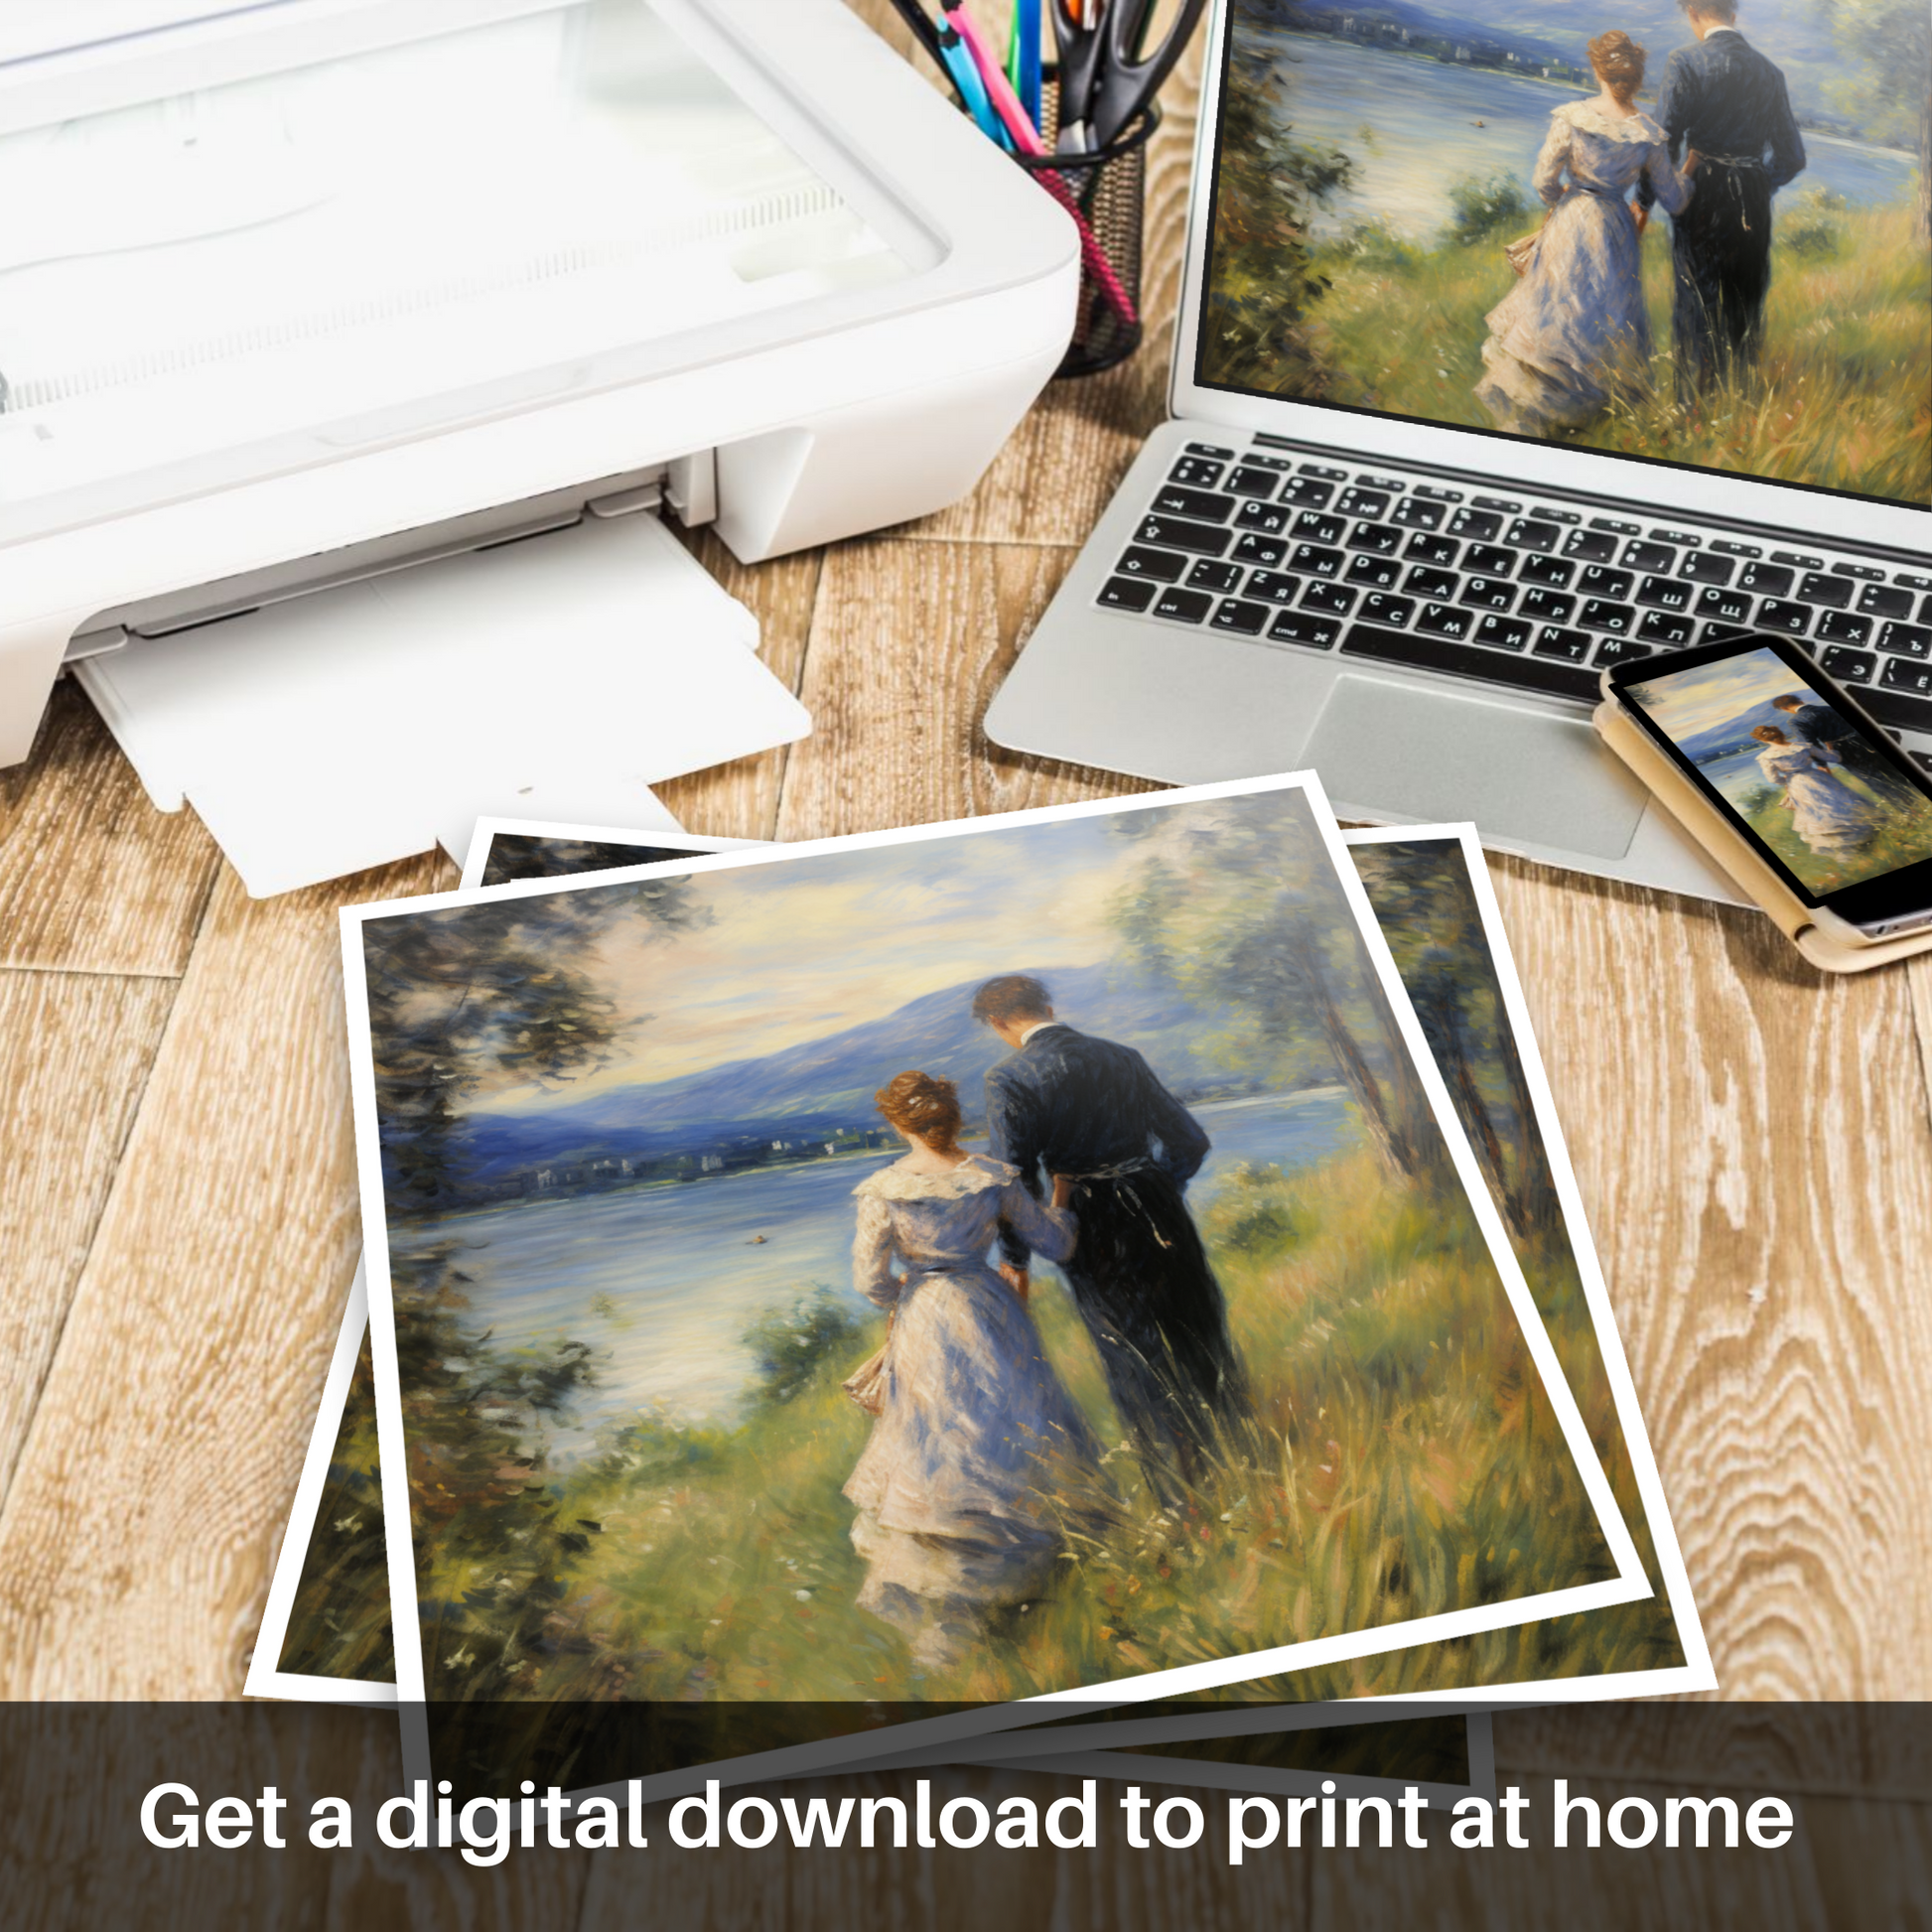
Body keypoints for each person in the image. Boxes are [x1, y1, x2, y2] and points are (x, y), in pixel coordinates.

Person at [842, 1070, 1108, 1671]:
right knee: (1006, 1431)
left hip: (926, 1318)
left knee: (935, 1444)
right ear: (954, 1118)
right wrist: (1061, 1198)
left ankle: (947, 1611)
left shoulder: (883, 1189)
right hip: (989, 1311)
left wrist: (904, 1292)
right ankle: (1013, 1587)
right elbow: (1057, 1245)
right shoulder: (991, 1176)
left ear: (896, 1123)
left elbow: (868, 1280)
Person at [972, 974, 1247, 1494]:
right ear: (1048, 1006)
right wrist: (1158, 1186)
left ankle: (1176, 1496)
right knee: (1200, 1333)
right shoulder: (1122, 1057)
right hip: (1159, 1207)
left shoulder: (1007, 1078)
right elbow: (1191, 1141)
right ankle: (1247, 1463)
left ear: (999, 1023)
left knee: (1130, 1355)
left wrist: (1015, 1259)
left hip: (1088, 1218)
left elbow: (1014, 1179)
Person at [1476, 33, 1695, 437]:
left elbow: (1543, 179)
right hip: (1615, 228)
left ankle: (1537, 413)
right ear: (1636, 76)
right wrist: (1692, 167)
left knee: (1556, 313)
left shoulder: (1575, 118)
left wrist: (1561, 200)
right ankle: (1587, 416)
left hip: (1573, 219)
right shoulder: (1647, 133)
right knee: (1603, 319)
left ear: (1597, 69)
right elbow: (1675, 199)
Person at [1639, 1, 1806, 400]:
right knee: (1744, 300)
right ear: (1733, 14)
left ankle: (1690, 406)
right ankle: (1741, 407)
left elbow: (1661, 142)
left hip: (1701, 193)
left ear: (1694, 12)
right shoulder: (1771, 73)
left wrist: (1644, 200)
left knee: (1697, 298)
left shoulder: (1685, 62)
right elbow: (1793, 157)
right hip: (1752, 197)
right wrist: (1758, 182)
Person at [1749, 725, 1879, 859]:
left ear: (1763, 740)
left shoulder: (1766, 757)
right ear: (1781, 734)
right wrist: (1830, 748)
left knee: (1818, 816)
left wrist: (1788, 779)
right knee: (1840, 807)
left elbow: (1773, 779)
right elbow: (1834, 759)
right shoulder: (1802, 746)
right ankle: (1864, 841)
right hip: (1819, 778)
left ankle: (1844, 852)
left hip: (1798, 785)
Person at [1770, 692, 1917, 808]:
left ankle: (1908, 811)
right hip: (1864, 741)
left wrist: (1822, 765)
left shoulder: (1796, 721)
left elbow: (1810, 745)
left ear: (1784, 708)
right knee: (1892, 770)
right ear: (1800, 701)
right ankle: (1919, 798)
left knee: (1873, 779)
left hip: (1844, 750)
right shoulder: (1827, 708)